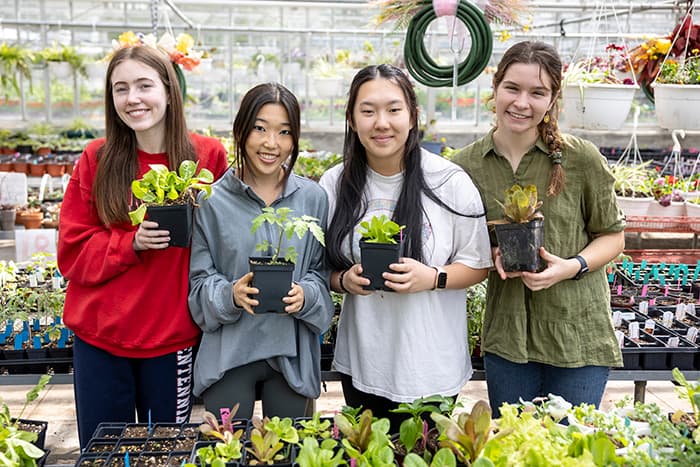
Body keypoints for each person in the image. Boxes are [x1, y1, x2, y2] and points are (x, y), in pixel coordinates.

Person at [57, 45, 229, 449]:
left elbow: (226, 240)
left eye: (144, 85)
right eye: (121, 89)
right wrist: (130, 242)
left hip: (170, 339)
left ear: (169, 91)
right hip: (101, 337)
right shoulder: (96, 159)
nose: (132, 98)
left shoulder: (207, 156)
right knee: (105, 451)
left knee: (166, 451)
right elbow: (71, 252)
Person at [453, 41, 625, 416]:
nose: (521, 102)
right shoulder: (465, 166)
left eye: (537, 92)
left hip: (577, 334)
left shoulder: (580, 159)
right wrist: (490, 254)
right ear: (495, 87)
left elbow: (613, 235)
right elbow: (459, 247)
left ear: (552, 100)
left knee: (568, 449)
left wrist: (573, 265)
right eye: (512, 88)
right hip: (509, 338)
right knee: (513, 449)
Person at [319, 64, 492, 429]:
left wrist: (432, 278)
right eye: (368, 111)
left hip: (431, 366)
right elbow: (320, 267)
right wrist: (342, 281)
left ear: (413, 116)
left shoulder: (449, 181)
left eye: (393, 109)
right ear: (352, 119)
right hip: (363, 361)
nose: (381, 122)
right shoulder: (334, 184)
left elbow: (478, 264)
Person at [188, 82, 333, 419]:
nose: (272, 143)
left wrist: (305, 295)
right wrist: (230, 294)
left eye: (284, 132)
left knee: (290, 452)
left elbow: (320, 274)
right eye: (260, 128)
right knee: (226, 451)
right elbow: (198, 286)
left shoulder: (313, 198)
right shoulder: (210, 200)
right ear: (241, 131)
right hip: (229, 353)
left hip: (292, 355)